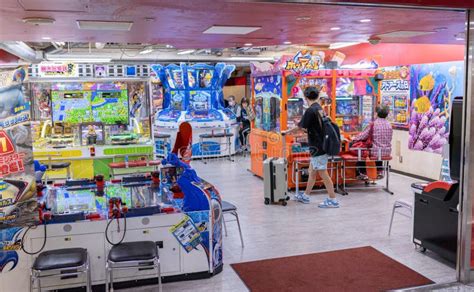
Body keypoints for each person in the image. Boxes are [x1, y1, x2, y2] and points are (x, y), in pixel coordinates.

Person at [283, 87, 339, 208]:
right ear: (317, 96)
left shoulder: (310, 110)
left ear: (306, 97)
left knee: (323, 173)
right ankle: (306, 196)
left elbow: (300, 127)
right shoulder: (319, 109)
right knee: (312, 172)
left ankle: (333, 199)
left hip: (318, 146)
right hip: (320, 144)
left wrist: (286, 131)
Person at [352, 105, 393, 180]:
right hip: (387, 151)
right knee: (377, 148)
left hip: (375, 152)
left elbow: (362, 136)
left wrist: (354, 139)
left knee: (361, 151)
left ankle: (362, 172)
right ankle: (379, 170)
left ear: (376, 113)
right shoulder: (389, 125)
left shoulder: (373, 124)